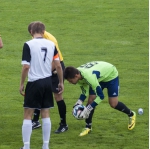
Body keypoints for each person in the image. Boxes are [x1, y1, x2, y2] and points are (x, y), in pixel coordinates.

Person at [19, 21, 64, 149]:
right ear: (44, 32)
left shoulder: (28, 44)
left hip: (34, 82)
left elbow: (26, 66)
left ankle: (26, 146)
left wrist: (22, 83)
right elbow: (58, 65)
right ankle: (45, 146)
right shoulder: (51, 44)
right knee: (45, 113)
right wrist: (60, 82)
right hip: (47, 82)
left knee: (28, 113)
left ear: (31, 32)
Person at [64, 61, 136, 136]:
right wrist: (79, 102)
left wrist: (88, 108)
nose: (70, 82)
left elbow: (101, 96)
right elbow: (84, 91)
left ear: (76, 76)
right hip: (98, 78)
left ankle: (131, 114)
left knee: (113, 104)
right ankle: (88, 127)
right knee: (91, 99)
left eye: (70, 81)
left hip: (110, 76)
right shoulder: (78, 75)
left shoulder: (89, 77)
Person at [28, 22, 68, 133]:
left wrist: (44, 72)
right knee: (39, 93)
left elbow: (57, 61)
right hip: (45, 68)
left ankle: (63, 124)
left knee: (58, 97)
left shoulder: (50, 40)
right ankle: (35, 121)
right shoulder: (39, 38)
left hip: (54, 67)